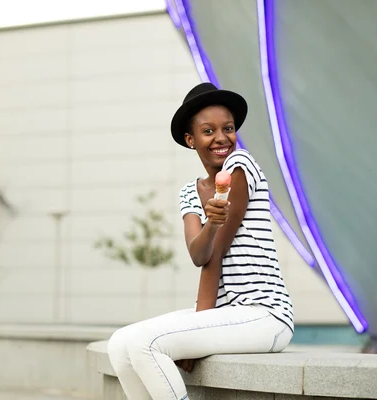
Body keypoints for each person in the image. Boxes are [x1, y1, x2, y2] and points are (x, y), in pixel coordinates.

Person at [107, 83, 294, 400]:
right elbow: (199, 252)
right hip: (227, 313)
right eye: (209, 131)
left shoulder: (240, 166)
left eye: (229, 128)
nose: (222, 138)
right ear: (190, 139)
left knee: (146, 343)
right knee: (120, 344)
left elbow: (216, 254)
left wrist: (198, 328)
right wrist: (211, 223)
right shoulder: (188, 192)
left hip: (266, 315)